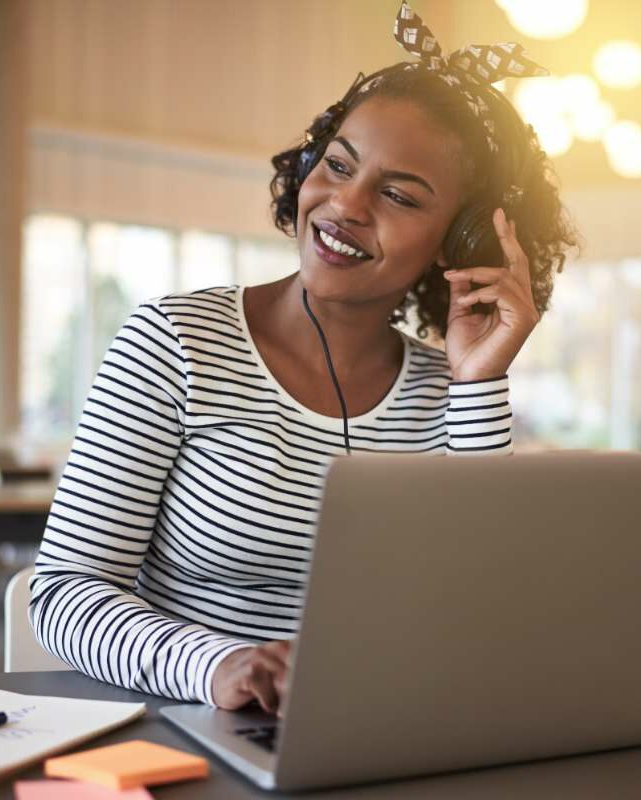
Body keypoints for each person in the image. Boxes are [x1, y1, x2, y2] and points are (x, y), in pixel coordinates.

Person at [30, 2, 577, 716]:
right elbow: (65, 591)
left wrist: (477, 382)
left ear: (460, 242)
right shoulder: (175, 341)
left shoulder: (451, 396)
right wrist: (221, 665)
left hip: (384, 724)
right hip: (198, 721)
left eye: (399, 195)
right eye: (339, 165)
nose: (344, 204)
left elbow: (482, 610)